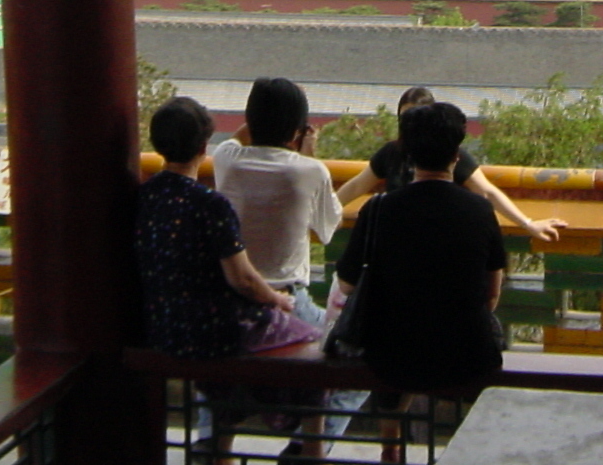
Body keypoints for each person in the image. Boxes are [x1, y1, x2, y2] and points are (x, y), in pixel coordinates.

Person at [137, 96, 321, 464]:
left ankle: (218, 447)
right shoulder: (210, 204)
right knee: (315, 341)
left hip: (162, 327)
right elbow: (243, 280)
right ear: (204, 147)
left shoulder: (145, 196)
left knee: (232, 369)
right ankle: (307, 451)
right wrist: (277, 299)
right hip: (214, 332)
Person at [334, 102, 505, 463]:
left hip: (390, 357)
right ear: (457, 154)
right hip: (466, 356)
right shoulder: (480, 210)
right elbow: (491, 296)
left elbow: (348, 285)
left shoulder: (379, 210)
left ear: (407, 155)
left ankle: (391, 449)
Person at [335, 86, 568, 244]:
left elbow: (487, 191)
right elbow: (357, 187)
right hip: (399, 237)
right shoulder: (391, 153)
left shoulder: (451, 155)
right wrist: (321, 212)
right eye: (405, 118)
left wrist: (528, 224)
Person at [210, 77, 342, 325]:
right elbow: (327, 229)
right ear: (297, 131)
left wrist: (275, 107)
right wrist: (309, 153)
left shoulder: (225, 158)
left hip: (232, 300)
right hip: (287, 302)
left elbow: (241, 135)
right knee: (338, 326)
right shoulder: (311, 171)